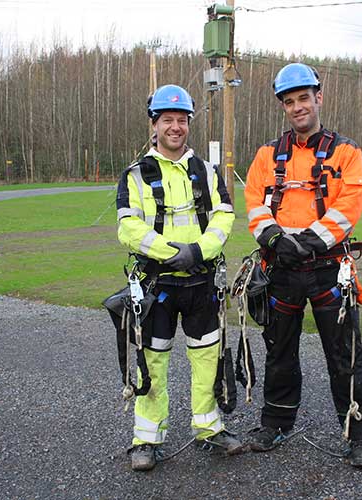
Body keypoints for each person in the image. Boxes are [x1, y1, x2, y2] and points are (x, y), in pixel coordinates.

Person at [243, 63, 362, 467]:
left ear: (318, 98)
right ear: (284, 107)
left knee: (345, 354)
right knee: (279, 351)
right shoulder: (268, 155)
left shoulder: (346, 152)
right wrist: (272, 239)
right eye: (290, 101)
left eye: (304, 98)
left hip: (327, 268)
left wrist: (303, 242)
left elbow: (348, 206)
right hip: (281, 269)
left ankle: (360, 433)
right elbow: (254, 200)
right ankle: (276, 422)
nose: (298, 106)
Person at [115, 84, 242, 472]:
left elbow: (224, 215)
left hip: (201, 283)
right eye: (167, 120)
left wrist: (199, 251)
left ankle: (209, 428)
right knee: (151, 362)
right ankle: (147, 439)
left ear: (189, 124)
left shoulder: (206, 170)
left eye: (181, 120)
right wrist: (175, 253)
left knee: (207, 358)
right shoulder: (136, 175)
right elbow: (128, 227)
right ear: (154, 124)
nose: (175, 127)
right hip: (158, 285)